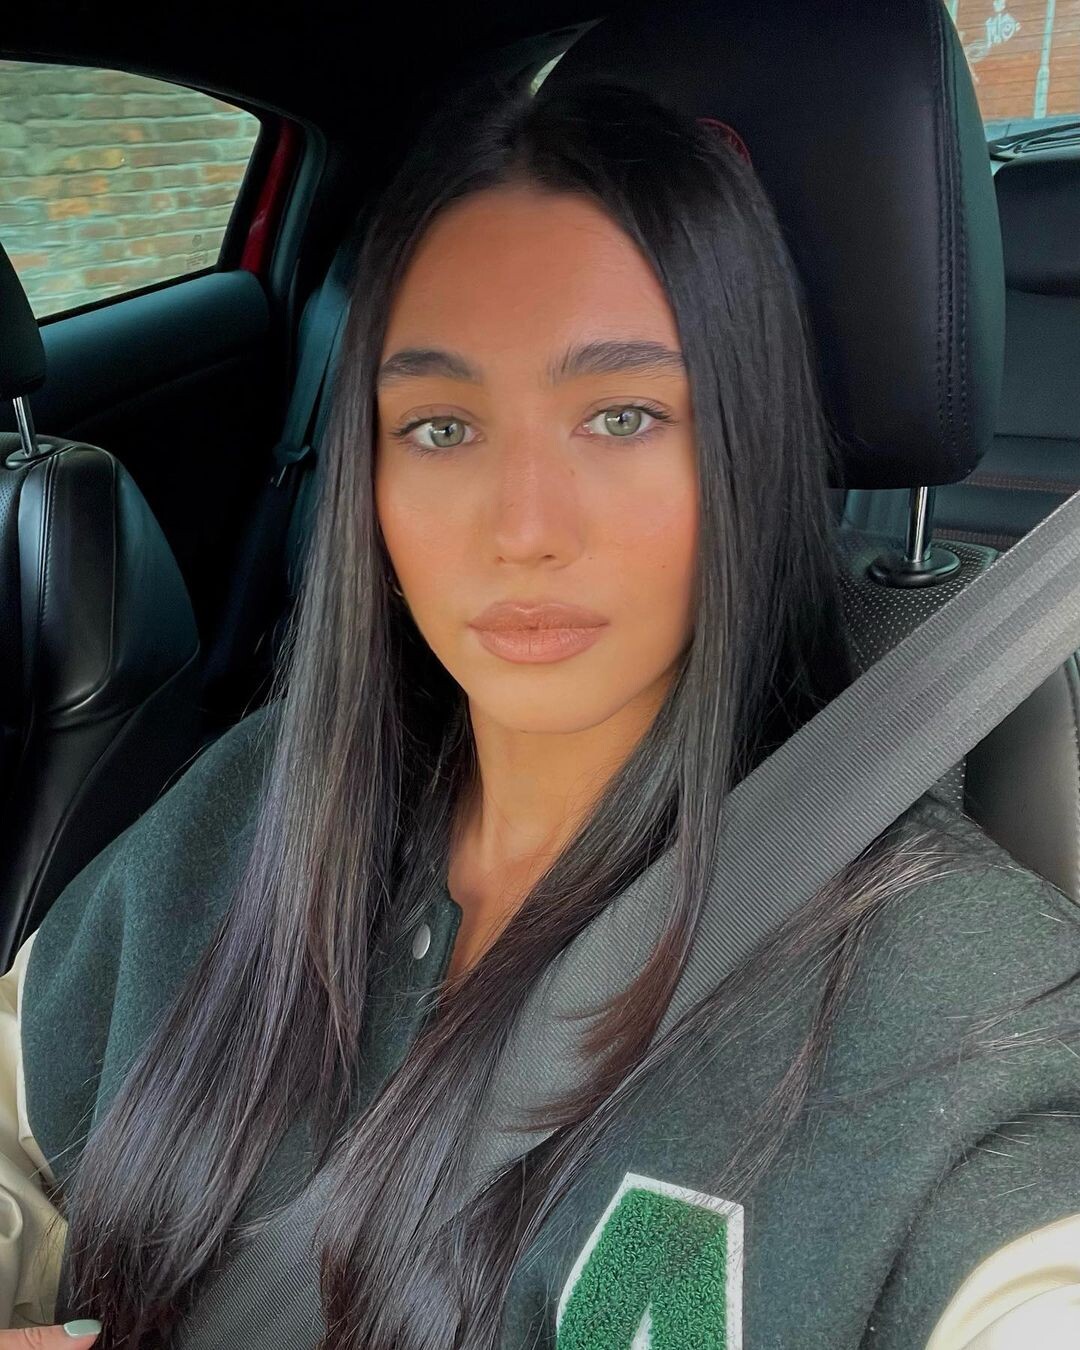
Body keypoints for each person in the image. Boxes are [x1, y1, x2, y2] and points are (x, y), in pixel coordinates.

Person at [0, 76, 1079, 1350]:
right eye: (442, 427)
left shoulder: (947, 997)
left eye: (623, 417)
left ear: (747, 450)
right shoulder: (251, 806)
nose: (521, 528)